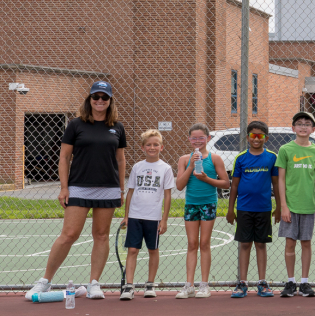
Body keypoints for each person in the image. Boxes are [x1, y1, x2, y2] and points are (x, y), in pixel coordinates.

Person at [26, 81, 126, 300]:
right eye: (95, 97)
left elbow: (120, 159)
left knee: (101, 235)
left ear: (110, 101)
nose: (100, 101)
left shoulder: (117, 126)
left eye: (104, 98)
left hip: (108, 189)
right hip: (79, 187)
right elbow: (64, 157)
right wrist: (64, 187)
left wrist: (121, 189)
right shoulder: (75, 124)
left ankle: (94, 284)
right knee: (69, 234)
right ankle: (44, 281)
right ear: (89, 99)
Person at [174, 123, 230, 299]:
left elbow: (226, 183)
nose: (197, 141)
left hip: (208, 203)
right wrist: (191, 165)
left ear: (208, 138)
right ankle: (189, 285)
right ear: (189, 139)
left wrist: (206, 178)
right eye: (194, 138)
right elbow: (179, 185)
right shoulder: (184, 159)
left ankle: (204, 285)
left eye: (201, 137)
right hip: (191, 204)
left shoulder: (215, 159)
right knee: (192, 244)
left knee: (204, 243)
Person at [119, 129, 174, 300]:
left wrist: (164, 220)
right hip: (135, 216)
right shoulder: (137, 167)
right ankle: (129, 286)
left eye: (155, 144)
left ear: (161, 147)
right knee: (133, 250)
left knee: (153, 249)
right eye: (148, 145)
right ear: (142, 148)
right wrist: (127, 216)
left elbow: (167, 195)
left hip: (154, 217)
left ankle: (150, 284)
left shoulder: (165, 168)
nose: (152, 147)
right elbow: (130, 192)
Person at [227, 121, 280, 298]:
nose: (256, 139)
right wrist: (230, 209)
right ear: (247, 137)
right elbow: (234, 185)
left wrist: (279, 206)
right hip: (244, 208)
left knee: (260, 244)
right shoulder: (240, 158)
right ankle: (242, 283)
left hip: (264, 208)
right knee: (244, 244)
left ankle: (262, 283)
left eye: (260, 136)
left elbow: (276, 184)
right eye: (253, 136)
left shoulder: (272, 157)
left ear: (266, 138)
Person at [275, 112, 315, 298]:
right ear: (293, 128)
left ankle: (304, 283)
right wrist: (283, 206)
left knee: (306, 242)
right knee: (290, 243)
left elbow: (314, 176)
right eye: (299, 124)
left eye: (307, 124)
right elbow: (281, 180)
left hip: (308, 204)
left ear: (313, 129)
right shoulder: (285, 149)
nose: (303, 127)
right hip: (291, 205)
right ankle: (291, 281)